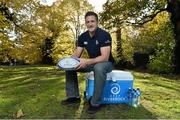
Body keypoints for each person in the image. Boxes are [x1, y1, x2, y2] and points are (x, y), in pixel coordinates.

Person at [61, 11, 115, 113]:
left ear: (97, 22)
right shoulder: (82, 37)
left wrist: (86, 61)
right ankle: (73, 97)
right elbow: (77, 54)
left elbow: (104, 57)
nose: (90, 24)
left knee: (98, 68)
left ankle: (95, 103)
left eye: (92, 21)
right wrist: (66, 62)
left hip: (106, 63)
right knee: (70, 66)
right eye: (88, 22)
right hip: (92, 62)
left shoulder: (104, 35)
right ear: (85, 23)